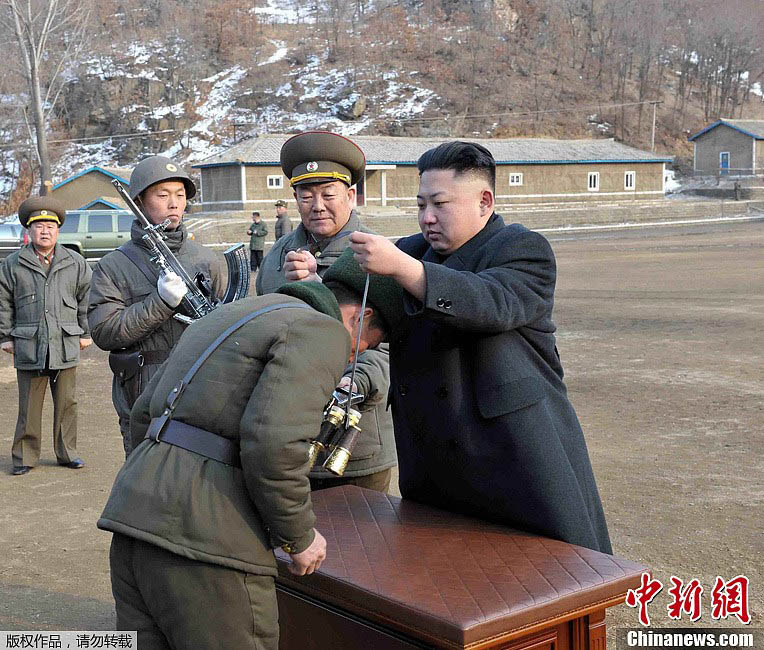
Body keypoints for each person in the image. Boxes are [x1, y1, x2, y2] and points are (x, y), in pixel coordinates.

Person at [97, 255, 402, 650]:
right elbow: (274, 444)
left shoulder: (231, 314)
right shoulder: (321, 330)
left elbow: (144, 412)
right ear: (361, 317)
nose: (351, 359)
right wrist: (299, 537)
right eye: (364, 348)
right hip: (208, 545)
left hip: (133, 520)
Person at [349, 141, 613, 553]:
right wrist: (315, 278)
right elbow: (356, 300)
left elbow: (490, 303)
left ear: (484, 202)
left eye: (440, 204)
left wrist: (403, 269)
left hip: (512, 458)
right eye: (421, 205)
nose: (427, 217)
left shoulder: (521, 249)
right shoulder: (413, 250)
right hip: (433, 464)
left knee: (552, 573)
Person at [258, 131, 396, 493]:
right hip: (287, 438)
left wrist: (355, 382)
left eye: (328, 194)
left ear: (350, 195)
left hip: (353, 446)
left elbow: (389, 348)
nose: (317, 205)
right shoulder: (278, 255)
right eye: (306, 196)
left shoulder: (376, 255)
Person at [88, 155, 226, 457]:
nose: (174, 204)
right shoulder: (114, 266)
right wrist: (160, 303)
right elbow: (104, 332)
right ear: (139, 201)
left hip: (201, 387)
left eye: (180, 195)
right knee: (146, 479)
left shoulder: (208, 259)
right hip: (144, 391)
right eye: (162, 195)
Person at [0, 196, 92, 475]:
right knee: (29, 405)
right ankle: (25, 457)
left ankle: (68, 453)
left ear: (58, 231)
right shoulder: (13, 264)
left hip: (65, 342)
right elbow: (3, 302)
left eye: (50, 227)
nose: (44, 231)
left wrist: (85, 332)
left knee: (67, 403)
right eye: (38, 226)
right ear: (29, 230)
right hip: (30, 344)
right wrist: (5, 337)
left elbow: (86, 300)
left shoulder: (75, 262)